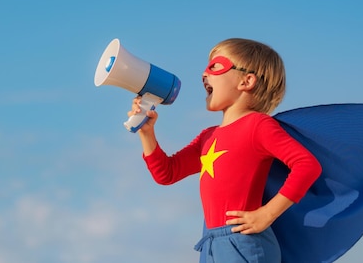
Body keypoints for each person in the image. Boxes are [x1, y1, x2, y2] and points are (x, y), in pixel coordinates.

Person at [129, 38, 322, 263]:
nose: (203, 74)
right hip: (210, 244)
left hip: (245, 243)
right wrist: (147, 132)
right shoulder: (207, 136)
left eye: (215, 66)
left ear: (246, 81)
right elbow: (167, 173)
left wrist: (266, 215)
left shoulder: (258, 125)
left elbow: (307, 165)